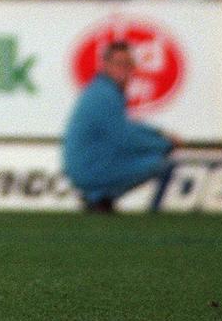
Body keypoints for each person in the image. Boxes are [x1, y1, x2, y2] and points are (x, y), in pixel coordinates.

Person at [62, 41, 176, 210]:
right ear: (106, 65)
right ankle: (99, 197)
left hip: (84, 165)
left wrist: (158, 134)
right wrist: (164, 143)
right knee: (158, 162)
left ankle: (98, 198)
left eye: (128, 64)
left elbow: (125, 129)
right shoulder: (106, 95)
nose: (124, 69)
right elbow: (125, 137)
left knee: (149, 156)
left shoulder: (101, 90)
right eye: (119, 64)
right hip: (89, 168)